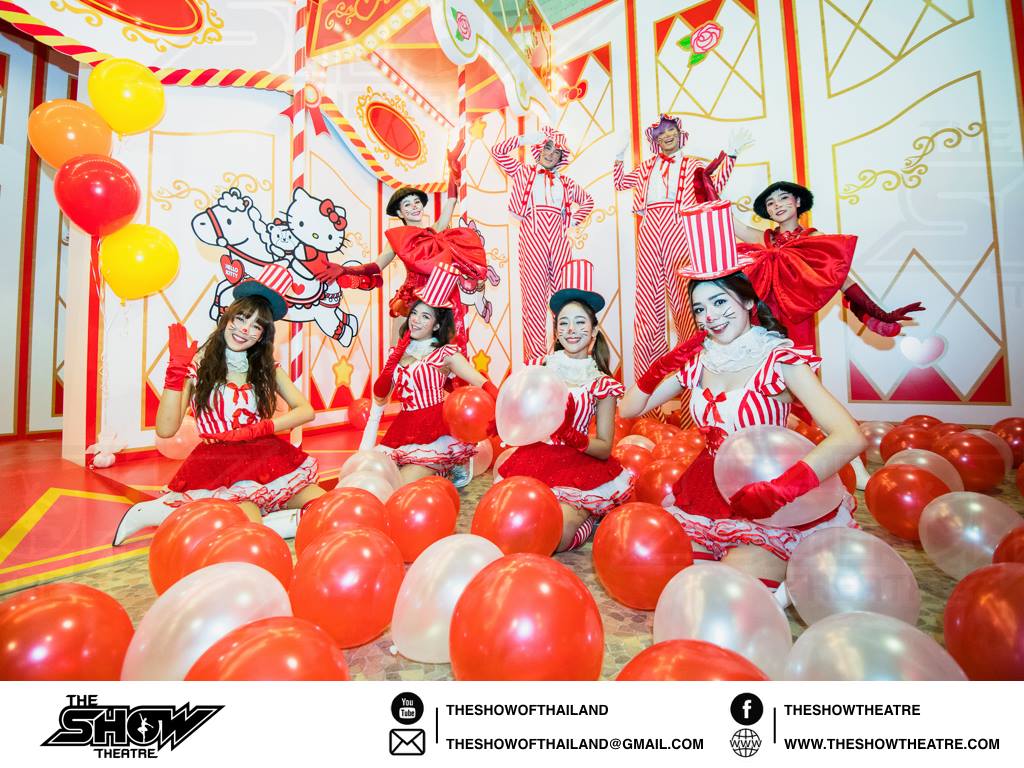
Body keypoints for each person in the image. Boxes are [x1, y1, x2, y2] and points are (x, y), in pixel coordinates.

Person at [620, 225, 866, 599]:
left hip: (771, 496)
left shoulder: (779, 359)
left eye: (720, 302)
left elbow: (850, 436)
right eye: (699, 308)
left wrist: (781, 490)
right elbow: (630, 407)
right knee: (683, 587)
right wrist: (660, 368)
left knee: (730, 594)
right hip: (704, 492)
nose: (710, 316)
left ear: (749, 301)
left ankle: (788, 584)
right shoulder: (699, 363)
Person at [112, 264, 324, 545]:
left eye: (256, 326)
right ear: (227, 318)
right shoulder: (198, 364)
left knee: (324, 506)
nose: (244, 329)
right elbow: (166, 430)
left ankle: (273, 519)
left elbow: (306, 410)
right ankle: (153, 513)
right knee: (250, 528)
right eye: (241, 318)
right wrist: (175, 373)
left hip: (265, 455)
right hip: (218, 464)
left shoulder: (265, 367)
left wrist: (262, 428)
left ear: (262, 335)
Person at [495, 260, 634, 552]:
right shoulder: (538, 368)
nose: (572, 329)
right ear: (556, 332)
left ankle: (591, 516)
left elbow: (604, 448)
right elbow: (520, 410)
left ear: (594, 331)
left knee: (552, 536)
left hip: (579, 467)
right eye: (563, 323)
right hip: (534, 460)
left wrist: (571, 436)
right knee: (506, 527)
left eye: (580, 322)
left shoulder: (602, 384)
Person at [614, 114, 751, 393]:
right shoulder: (646, 167)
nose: (667, 135)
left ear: (680, 134)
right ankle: (648, 400)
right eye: (661, 133)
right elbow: (620, 183)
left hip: (681, 228)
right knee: (648, 306)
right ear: (655, 140)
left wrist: (731, 155)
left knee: (686, 305)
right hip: (650, 229)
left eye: (671, 130)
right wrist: (618, 155)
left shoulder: (693, 165)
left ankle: (692, 399)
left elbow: (714, 186)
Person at [732, 180, 926, 349]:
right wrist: (713, 186)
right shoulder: (764, 238)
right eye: (770, 203)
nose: (777, 205)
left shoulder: (814, 238)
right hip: (761, 317)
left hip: (796, 319)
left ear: (798, 202)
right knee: (760, 372)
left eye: (783, 198)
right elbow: (731, 223)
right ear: (768, 211)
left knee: (798, 368)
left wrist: (880, 313)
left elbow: (842, 280)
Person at [360, 263, 499, 486]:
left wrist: (502, 410)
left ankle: (447, 467)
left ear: (436, 326)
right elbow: (380, 395)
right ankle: (440, 474)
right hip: (403, 428)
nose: (416, 319)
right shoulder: (397, 351)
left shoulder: (446, 354)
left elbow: (480, 381)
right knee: (377, 479)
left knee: (399, 486)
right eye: (415, 313)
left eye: (425, 316)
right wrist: (395, 357)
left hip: (435, 430)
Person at [491, 126, 594, 360]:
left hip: (559, 240)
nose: (551, 154)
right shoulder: (523, 172)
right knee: (534, 301)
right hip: (532, 237)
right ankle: (536, 362)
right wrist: (524, 139)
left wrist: (571, 221)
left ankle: (564, 357)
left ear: (561, 157)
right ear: (539, 148)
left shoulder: (565, 182)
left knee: (564, 300)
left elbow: (587, 201)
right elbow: (497, 151)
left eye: (557, 151)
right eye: (548, 147)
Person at [373, 138, 487, 343]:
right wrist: (347, 272)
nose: (414, 207)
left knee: (440, 351)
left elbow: (451, 201)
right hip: (410, 300)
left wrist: (453, 168)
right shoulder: (397, 239)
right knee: (400, 349)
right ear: (399, 213)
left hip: (438, 298)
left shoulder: (434, 232)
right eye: (407, 205)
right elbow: (377, 265)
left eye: (417, 202)